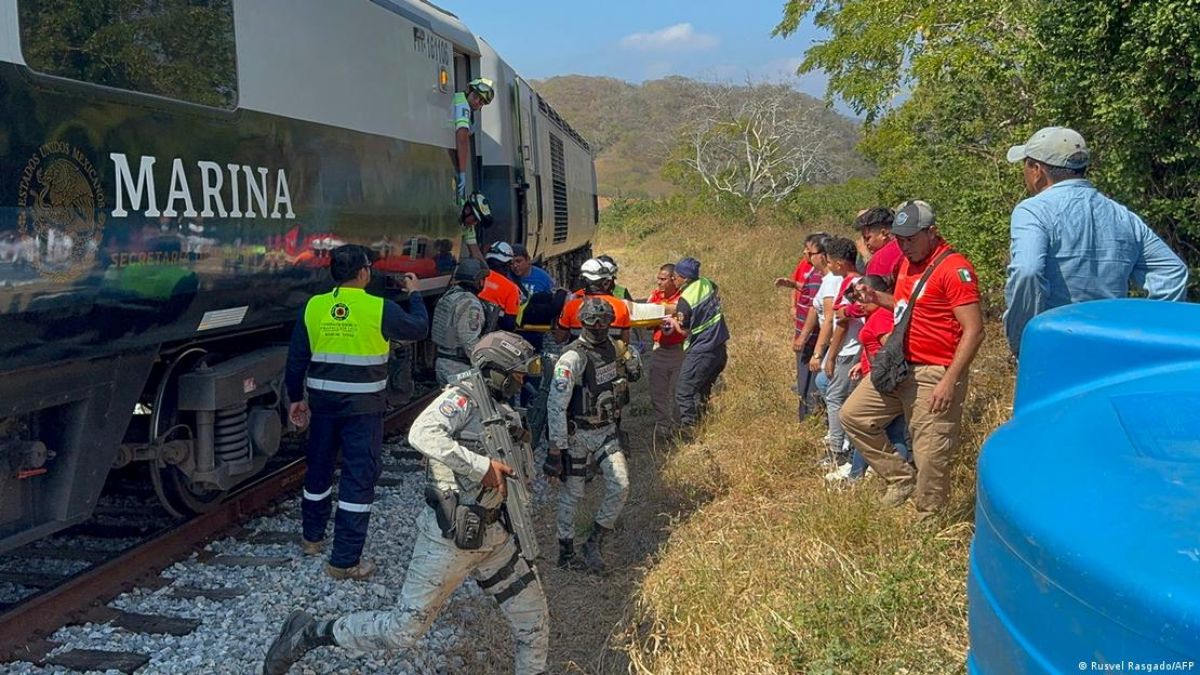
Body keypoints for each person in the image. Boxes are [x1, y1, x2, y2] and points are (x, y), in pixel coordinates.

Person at [265, 333, 548, 675]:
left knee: (534, 624)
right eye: (517, 374)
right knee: (402, 630)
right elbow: (422, 433)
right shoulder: (463, 398)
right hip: (451, 538)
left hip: (495, 537)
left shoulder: (502, 409)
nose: (522, 381)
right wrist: (480, 467)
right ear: (495, 371)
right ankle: (309, 633)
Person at [284, 245, 429, 580]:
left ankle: (312, 539)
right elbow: (419, 328)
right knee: (358, 477)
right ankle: (345, 560)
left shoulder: (314, 306)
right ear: (364, 272)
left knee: (318, 469)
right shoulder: (380, 308)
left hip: (323, 405)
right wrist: (415, 294)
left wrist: (295, 398)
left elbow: (296, 359)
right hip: (363, 409)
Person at [840, 201, 984, 519]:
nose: (904, 246)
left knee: (930, 452)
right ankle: (900, 478)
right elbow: (908, 306)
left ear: (931, 232)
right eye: (899, 239)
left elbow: (974, 330)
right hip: (900, 365)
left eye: (910, 239)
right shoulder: (906, 264)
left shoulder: (953, 269)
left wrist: (949, 380)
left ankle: (930, 519)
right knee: (853, 415)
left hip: (935, 370)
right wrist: (877, 298)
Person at [1004, 126, 1189, 357]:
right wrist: (1151, 335)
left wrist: (1023, 340)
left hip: (1056, 346)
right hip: (1111, 346)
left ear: (1037, 170)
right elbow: (1172, 272)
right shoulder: (1122, 215)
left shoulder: (1033, 211)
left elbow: (1027, 271)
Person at [543, 298, 641, 574]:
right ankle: (566, 551)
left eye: (603, 321)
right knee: (572, 494)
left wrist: (631, 361)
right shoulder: (572, 358)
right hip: (578, 436)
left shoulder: (616, 349)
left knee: (621, 485)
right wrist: (555, 450)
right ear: (581, 322)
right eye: (591, 321)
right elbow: (556, 404)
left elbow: (633, 374)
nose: (598, 326)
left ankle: (593, 542)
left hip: (606, 432)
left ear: (611, 322)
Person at [834, 275, 912, 484]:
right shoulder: (876, 315)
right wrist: (863, 364)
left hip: (884, 381)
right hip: (878, 376)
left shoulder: (881, 317)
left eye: (861, 299)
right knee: (890, 430)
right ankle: (886, 475)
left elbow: (891, 350)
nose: (858, 304)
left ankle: (870, 476)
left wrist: (880, 372)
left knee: (872, 427)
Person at [664, 257, 730, 437]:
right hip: (720, 349)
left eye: (675, 277)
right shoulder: (706, 283)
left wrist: (672, 321)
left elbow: (684, 331)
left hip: (702, 351)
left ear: (685, 278)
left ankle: (689, 429)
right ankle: (703, 423)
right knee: (702, 389)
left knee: (683, 391)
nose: (673, 280)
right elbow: (716, 290)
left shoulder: (685, 300)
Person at [816, 237, 862, 470]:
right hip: (853, 349)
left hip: (848, 350)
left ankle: (838, 452)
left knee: (835, 399)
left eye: (831, 262)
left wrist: (831, 356)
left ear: (840, 263)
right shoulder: (858, 282)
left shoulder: (851, 285)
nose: (829, 266)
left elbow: (842, 323)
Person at [781, 234, 828, 421]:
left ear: (822, 255)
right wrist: (793, 285)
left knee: (807, 383)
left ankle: (808, 419)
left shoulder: (818, 276)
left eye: (809, 251)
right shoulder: (815, 273)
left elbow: (813, 309)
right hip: (811, 339)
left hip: (810, 340)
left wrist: (803, 337)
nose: (805, 253)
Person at [431, 258, 490, 385]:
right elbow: (469, 340)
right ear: (477, 280)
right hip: (459, 367)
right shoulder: (470, 303)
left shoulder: (448, 296)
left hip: (443, 361)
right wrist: (486, 362)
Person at [647, 263, 685, 435]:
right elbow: (646, 323)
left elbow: (684, 313)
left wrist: (660, 311)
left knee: (679, 391)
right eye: (658, 278)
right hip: (660, 350)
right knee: (658, 391)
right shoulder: (654, 296)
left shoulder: (683, 298)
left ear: (673, 279)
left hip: (679, 352)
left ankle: (679, 425)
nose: (659, 282)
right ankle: (663, 425)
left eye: (663, 279)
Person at [557, 258, 632, 340]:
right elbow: (626, 340)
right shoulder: (621, 306)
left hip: (579, 348)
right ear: (605, 282)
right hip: (611, 348)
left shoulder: (571, 306)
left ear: (584, 281)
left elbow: (559, 338)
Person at [453, 78, 495, 206]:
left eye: (481, 102)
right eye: (476, 96)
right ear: (468, 91)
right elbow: (462, 139)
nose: (477, 102)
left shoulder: (457, 98)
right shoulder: (463, 106)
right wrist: (462, 171)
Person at [479, 241, 522, 331]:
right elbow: (509, 325)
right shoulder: (511, 289)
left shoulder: (475, 277)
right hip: (491, 334)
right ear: (507, 265)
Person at [856, 207, 903, 279]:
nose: (865, 243)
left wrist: (867, 257)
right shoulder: (909, 245)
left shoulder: (880, 260)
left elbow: (871, 285)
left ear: (883, 233)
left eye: (867, 238)